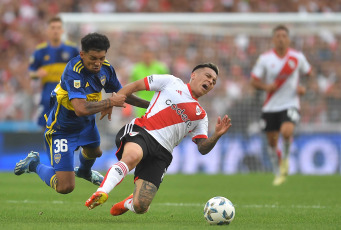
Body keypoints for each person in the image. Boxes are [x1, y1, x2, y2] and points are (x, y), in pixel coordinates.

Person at [84, 63, 232, 216]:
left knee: (141, 206)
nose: (211, 82)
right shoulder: (171, 82)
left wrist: (216, 135)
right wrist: (112, 102)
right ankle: (102, 192)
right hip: (143, 132)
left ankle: (129, 202)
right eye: (208, 76)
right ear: (193, 75)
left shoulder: (201, 115)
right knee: (132, 156)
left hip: (163, 153)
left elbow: (202, 148)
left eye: (214, 81)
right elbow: (134, 86)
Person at [14, 33, 149, 194]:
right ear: (82, 54)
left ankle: (84, 172)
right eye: (93, 58)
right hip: (62, 128)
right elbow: (80, 109)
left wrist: (152, 105)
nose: (98, 63)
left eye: (101, 58)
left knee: (95, 152)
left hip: (86, 123)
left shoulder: (106, 68)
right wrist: (109, 102)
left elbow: (122, 93)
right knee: (65, 187)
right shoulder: (73, 71)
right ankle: (33, 164)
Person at [250, 25, 312, 186]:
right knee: (271, 141)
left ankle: (285, 160)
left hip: (290, 103)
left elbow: (309, 74)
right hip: (270, 105)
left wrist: (304, 88)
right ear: (273, 39)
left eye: (284, 36)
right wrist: (266, 87)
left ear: (288, 39)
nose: (281, 38)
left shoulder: (297, 57)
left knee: (286, 131)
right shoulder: (265, 59)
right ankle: (277, 171)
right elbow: (254, 80)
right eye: (278, 36)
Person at [29, 16, 79, 128]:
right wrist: (37, 74)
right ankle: (47, 145)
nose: (55, 30)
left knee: (69, 124)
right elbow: (31, 73)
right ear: (48, 31)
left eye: (58, 28)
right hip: (48, 91)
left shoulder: (72, 49)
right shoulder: (40, 50)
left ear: (62, 30)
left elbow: (82, 69)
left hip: (67, 90)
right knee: (46, 123)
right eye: (52, 28)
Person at [129, 47, 169, 117]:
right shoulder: (136, 69)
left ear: (153, 55)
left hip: (157, 104)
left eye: (149, 53)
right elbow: (132, 86)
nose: (147, 56)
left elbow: (167, 85)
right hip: (140, 105)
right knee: (140, 125)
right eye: (145, 54)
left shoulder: (161, 68)